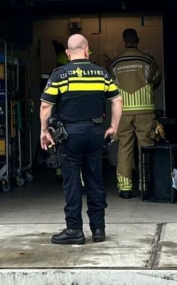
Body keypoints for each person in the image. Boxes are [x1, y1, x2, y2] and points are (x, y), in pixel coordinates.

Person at [40, 34, 122, 245]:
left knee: (72, 183)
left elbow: (46, 105)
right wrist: (113, 127)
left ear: (68, 53)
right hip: (95, 133)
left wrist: (44, 131)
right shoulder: (101, 73)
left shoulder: (60, 74)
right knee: (95, 180)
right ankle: (98, 230)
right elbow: (117, 99)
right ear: (87, 50)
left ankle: (74, 230)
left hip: (69, 136)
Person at [110, 28, 162, 199]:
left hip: (123, 112)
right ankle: (146, 186)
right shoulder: (148, 60)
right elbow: (156, 80)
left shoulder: (115, 63)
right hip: (145, 111)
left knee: (124, 147)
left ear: (124, 41)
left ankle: (125, 189)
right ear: (137, 40)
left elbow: (111, 86)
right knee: (146, 146)